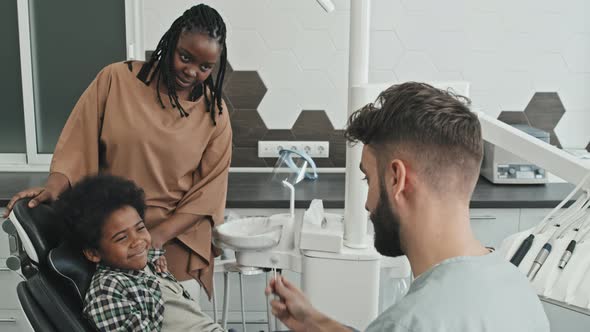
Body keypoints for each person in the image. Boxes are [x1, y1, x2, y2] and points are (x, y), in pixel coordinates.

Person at [266, 82, 550, 331]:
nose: (367, 204)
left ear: (396, 178)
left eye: (368, 179)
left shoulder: (410, 322)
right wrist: (318, 325)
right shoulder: (519, 290)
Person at [3, 4, 231, 300]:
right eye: (184, 57)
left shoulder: (215, 114)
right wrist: (53, 188)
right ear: (171, 41)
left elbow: (208, 194)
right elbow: (77, 143)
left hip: (171, 244)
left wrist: (155, 239)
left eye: (205, 67)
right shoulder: (116, 80)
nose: (191, 72)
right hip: (112, 237)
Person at [53, 174, 224, 332]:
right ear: (93, 253)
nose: (138, 241)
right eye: (121, 238)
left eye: (141, 228)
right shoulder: (108, 292)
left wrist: (156, 261)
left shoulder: (144, 263)